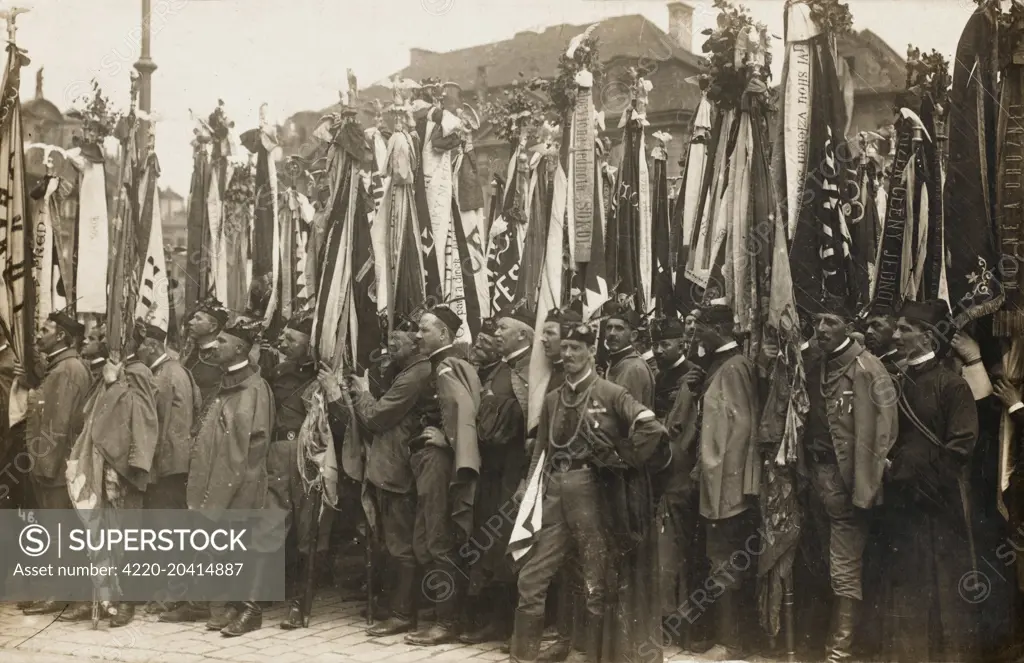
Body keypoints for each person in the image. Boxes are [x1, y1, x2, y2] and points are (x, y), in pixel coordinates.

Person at [509, 315, 670, 663]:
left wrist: (620, 459)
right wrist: (528, 484)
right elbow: (542, 450)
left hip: (591, 494)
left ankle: (586, 653)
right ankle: (521, 657)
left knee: (595, 580)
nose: (567, 354)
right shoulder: (553, 398)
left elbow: (652, 428)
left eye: (576, 348)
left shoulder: (611, 393)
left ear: (591, 351)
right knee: (532, 577)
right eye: (564, 347)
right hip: (554, 493)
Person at [881, 300, 979, 662]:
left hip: (937, 503)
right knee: (905, 579)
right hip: (899, 497)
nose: (896, 334)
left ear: (928, 338)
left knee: (941, 582)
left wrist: (924, 482)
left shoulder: (952, 386)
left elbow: (962, 445)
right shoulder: (892, 381)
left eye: (905, 329)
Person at [323, 323, 431, 637]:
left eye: (399, 337)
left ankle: (402, 614)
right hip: (391, 469)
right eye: (388, 338)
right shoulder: (409, 372)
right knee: (393, 541)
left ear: (416, 342)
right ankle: (395, 606)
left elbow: (375, 417)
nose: (390, 342)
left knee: (400, 544)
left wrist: (364, 393)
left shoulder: (415, 375)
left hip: (398, 471)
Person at [802, 311, 897, 663]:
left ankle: (838, 653)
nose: (821, 328)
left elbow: (883, 432)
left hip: (846, 484)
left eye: (830, 321)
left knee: (844, 567)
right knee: (823, 562)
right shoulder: (817, 364)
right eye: (818, 322)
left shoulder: (868, 368)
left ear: (848, 327)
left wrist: (865, 488)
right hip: (816, 478)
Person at [184, 318, 275, 637]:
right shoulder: (228, 384)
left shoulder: (253, 390)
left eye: (222, 341)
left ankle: (243, 611)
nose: (216, 345)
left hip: (239, 487)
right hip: (218, 485)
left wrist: (217, 497)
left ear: (240, 348)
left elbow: (248, 452)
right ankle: (221, 608)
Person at [403, 306, 481, 646]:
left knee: (437, 539)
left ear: (444, 334)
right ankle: (440, 617)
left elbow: (463, 411)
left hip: (437, 461)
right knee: (427, 536)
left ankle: (446, 621)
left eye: (424, 330)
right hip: (428, 460)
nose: (417, 336)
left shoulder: (447, 366)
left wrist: (446, 441)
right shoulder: (442, 363)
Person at [690, 304, 760, 661]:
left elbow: (742, 430)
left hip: (727, 486)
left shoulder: (735, 368)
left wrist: (728, 485)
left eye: (700, 326)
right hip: (712, 482)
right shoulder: (719, 365)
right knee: (717, 559)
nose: (695, 332)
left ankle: (733, 643)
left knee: (726, 561)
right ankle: (724, 637)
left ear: (718, 328)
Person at [461, 316, 528, 645]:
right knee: (488, 541)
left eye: (503, 329)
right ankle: (490, 619)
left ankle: (506, 623)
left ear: (522, 334)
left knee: (507, 544)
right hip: (493, 470)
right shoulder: (501, 368)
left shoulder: (532, 370)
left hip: (516, 471)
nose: (495, 334)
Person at [263, 315, 334, 629]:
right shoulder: (276, 372)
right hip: (278, 454)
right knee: (271, 524)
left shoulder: (323, 376)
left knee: (308, 531)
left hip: (307, 455)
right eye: (283, 338)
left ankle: (299, 603)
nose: (283, 343)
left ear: (310, 343)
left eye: (292, 339)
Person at [650, 316, 708, 652]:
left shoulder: (690, 377)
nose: (659, 350)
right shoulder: (659, 375)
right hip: (661, 473)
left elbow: (682, 429)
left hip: (680, 473)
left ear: (680, 344)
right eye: (657, 344)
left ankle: (682, 623)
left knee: (679, 552)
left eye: (666, 344)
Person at [136, 322, 200, 512]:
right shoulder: (176, 369)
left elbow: (156, 422)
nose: (137, 351)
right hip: (178, 461)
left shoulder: (163, 376)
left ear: (153, 346)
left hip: (166, 464)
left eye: (140, 345)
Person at [602, 302, 655, 406]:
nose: (612, 333)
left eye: (619, 328)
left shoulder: (634, 368)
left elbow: (629, 418)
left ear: (633, 336)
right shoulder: (619, 362)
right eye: (609, 327)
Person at [182, 298, 230, 405]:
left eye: (198, 319)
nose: (190, 322)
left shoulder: (223, 360)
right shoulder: (192, 353)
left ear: (212, 327)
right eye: (193, 317)